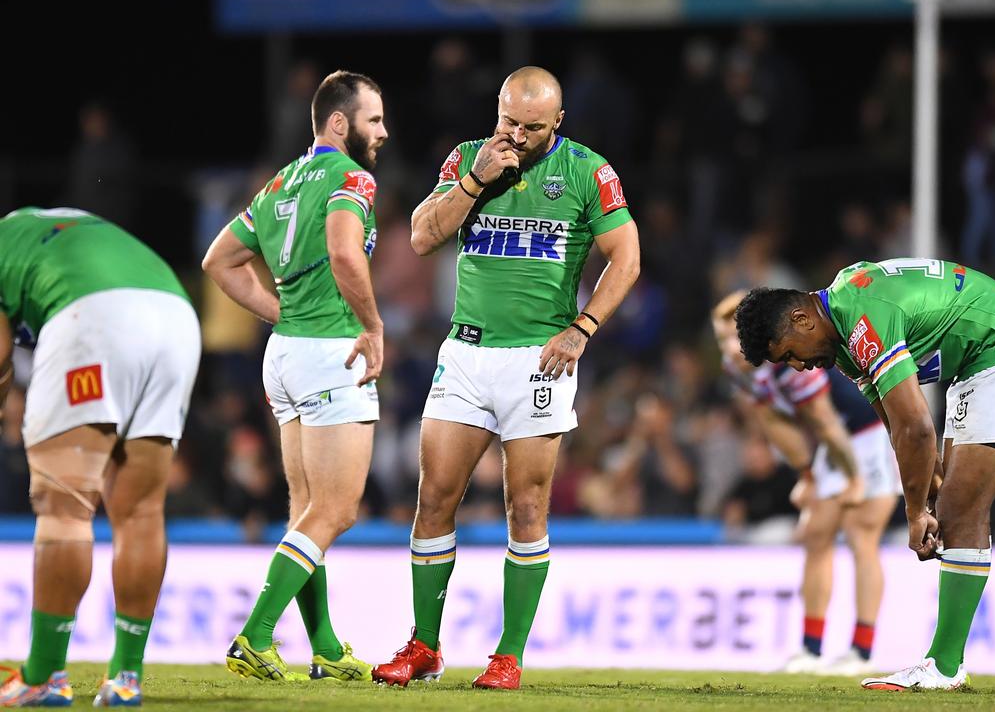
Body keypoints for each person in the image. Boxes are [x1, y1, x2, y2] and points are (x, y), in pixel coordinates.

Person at [372, 66, 640, 690]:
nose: (517, 137)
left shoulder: (587, 171)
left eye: (533, 128)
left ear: (558, 123)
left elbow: (626, 257)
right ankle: (425, 646)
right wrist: (475, 180)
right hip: (465, 353)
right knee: (433, 498)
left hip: (538, 359)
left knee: (526, 505)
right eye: (508, 123)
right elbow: (420, 237)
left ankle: (509, 654)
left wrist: (583, 328)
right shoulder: (468, 158)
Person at [734, 258, 995, 691]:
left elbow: (917, 426)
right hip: (974, 367)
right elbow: (894, 424)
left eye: (790, 353)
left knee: (961, 511)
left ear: (800, 319)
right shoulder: (845, 346)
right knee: (954, 507)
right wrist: (926, 492)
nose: (797, 367)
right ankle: (946, 665)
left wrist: (912, 514)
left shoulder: (861, 318)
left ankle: (944, 667)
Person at [202, 69, 388, 683]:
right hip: (332, 352)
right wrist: (373, 325)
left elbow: (219, 261)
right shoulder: (351, 178)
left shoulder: (282, 181)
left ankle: (327, 648)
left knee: (307, 510)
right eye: (374, 119)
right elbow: (342, 250)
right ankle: (256, 634)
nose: (383, 132)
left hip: (284, 355)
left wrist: (281, 313)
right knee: (335, 511)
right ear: (340, 122)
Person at [0, 207, 200, 708]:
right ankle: (126, 676)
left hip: (94, 319)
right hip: (177, 313)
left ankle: (44, 675)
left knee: (64, 504)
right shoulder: (42, 226)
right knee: (141, 510)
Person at [713, 291, 899, 676]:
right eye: (721, 340)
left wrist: (854, 478)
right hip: (834, 442)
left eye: (733, 337)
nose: (729, 348)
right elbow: (773, 422)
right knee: (816, 537)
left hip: (870, 431)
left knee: (861, 535)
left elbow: (827, 421)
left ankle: (862, 652)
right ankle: (812, 649)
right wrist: (807, 475)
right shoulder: (740, 369)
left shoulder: (786, 365)